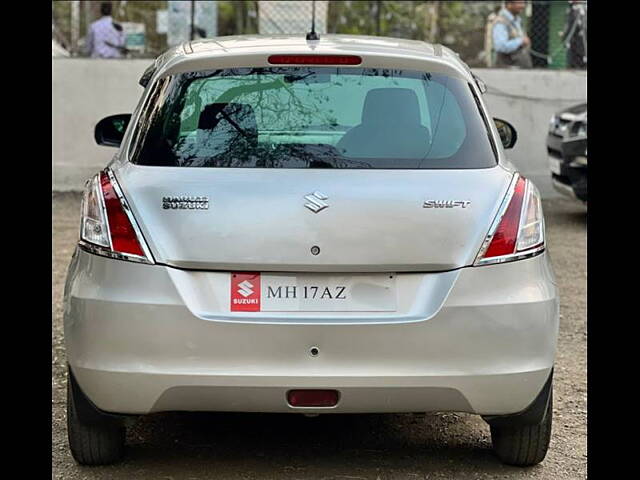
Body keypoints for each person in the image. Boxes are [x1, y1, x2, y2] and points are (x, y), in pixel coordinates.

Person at [491, 1, 533, 68]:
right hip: (508, 69)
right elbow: (500, 46)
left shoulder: (516, 20)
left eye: (523, 3)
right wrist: (521, 41)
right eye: (519, 3)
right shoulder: (501, 22)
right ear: (509, 4)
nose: (522, 5)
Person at [562, 0, 587, 69]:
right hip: (574, 39)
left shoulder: (580, 9)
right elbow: (569, 26)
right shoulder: (572, 9)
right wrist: (565, 36)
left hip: (580, 40)